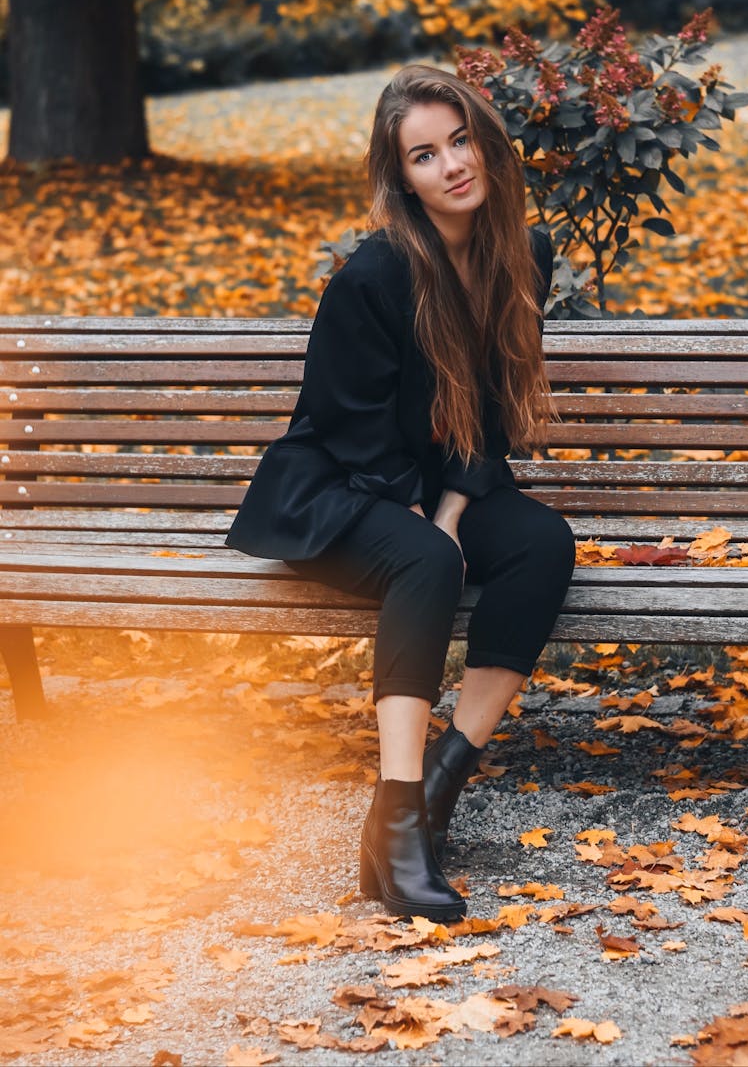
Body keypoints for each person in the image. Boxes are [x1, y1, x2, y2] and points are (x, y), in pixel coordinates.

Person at [224, 64, 576, 922]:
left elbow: (488, 414)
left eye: (460, 141)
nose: (452, 165)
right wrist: (424, 522)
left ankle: (442, 782)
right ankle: (397, 810)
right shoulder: (373, 277)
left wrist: (453, 511)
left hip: (430, 482)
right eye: (425, 155)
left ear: (486, 142)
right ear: (403, 177)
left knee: (542, 542)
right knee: (423, 561)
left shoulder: (522, 253)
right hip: (335, 489)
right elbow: (345, 424)